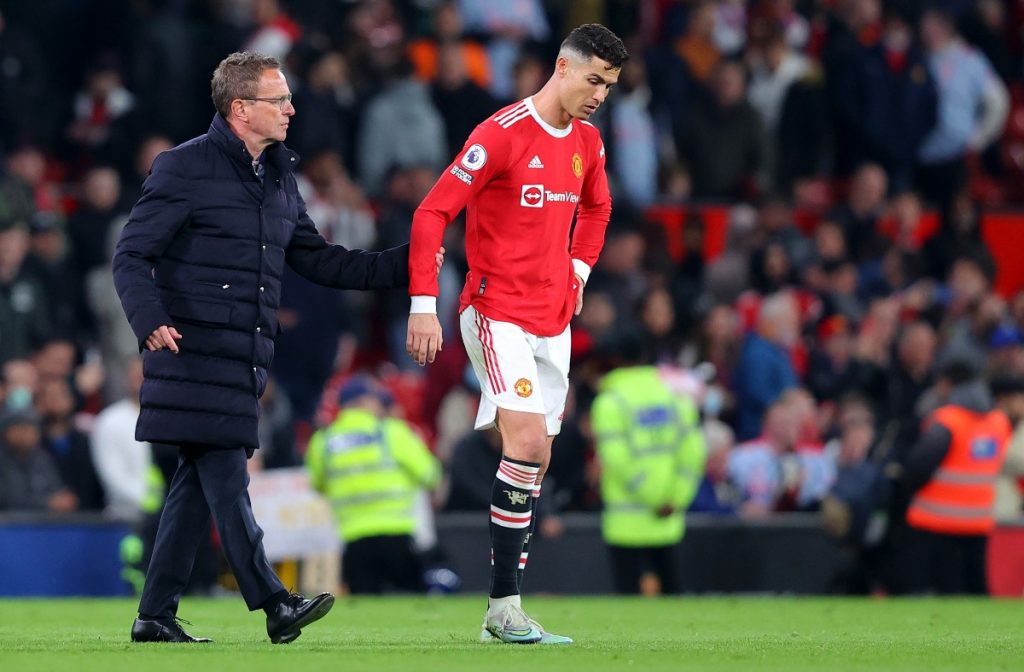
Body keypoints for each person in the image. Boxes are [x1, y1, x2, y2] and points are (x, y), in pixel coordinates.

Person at [112, 52, 440, 644]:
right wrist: (149, 320)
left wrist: (408, 262)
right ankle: (273, 602)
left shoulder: (279, 176)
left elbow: (321, 261)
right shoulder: (184, 167)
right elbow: (131, 254)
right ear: (241, 109)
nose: (291, 109)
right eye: (279, 99)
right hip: (191, 351)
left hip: (244, 358)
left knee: (195, 488)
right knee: (225, 476)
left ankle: (154, 615)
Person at [406, 24, 627, 644]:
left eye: (609, 86)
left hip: (552, 320)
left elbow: (598, 207)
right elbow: (432, 211)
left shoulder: (587, 142)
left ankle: (502, 611)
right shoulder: (500, 134)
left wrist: (578, 270)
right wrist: (423, 303)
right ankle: (503, 611)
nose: (599, 96)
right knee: (526, 442)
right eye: (593, 80)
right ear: (562, 67)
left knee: (537, 456)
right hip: (494, 310)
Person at [590, 332, 706, 595]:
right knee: (673, 598)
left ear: (614, 359)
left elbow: (616, 458)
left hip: (625, 523)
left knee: (628, 605)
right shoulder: (675, 397)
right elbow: (693, 454)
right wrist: (674, 498)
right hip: (668, 518)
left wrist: (651, 496)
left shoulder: (610, 402)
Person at [305, 376, 441, 594]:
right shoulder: (391, 431)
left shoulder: (323, 441)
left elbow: (317, 484)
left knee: (364, 604)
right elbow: (430, 474)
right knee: (410, 600)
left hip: (353, 537)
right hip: (397, 533)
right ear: (364, 401)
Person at [892, 360, 1011, 594]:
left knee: (935, 592)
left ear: (948, 384)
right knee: (973, 592)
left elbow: (917, 467)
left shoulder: (947, 421)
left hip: (934, 521)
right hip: (978, 521)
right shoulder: (999, 422)